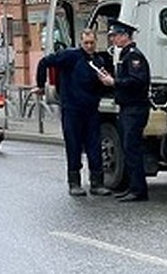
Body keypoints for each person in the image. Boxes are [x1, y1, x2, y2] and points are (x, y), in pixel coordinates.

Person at [35, 28, 114, 196]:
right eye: (86, 43)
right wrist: (41, 85)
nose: (89, 46)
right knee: (74, 145)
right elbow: (44, 62)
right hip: (72, 109)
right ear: (81, 42)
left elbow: (101, 86)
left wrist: (104, 85)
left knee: (94, 146)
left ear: (96, 42)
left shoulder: (98, 61)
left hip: (91, 110)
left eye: (92, 43)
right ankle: (74, 183)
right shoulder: (70, 56)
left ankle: (96, 183)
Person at [100, 19, 151, 202]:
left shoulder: (134, 56)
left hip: (135, 109)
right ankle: (132, 187)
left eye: (115, 36)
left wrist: (114, 82)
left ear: (124, 36)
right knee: (128, 149)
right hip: (128, 108)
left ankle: (138, 190)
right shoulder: (125, 55)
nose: (113, 39)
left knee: (132, 149)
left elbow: (138, 81)